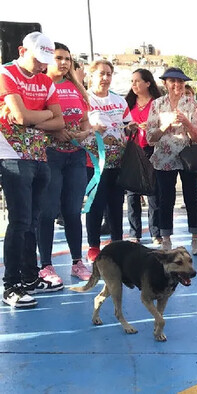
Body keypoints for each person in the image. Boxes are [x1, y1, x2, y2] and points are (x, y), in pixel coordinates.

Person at [1, 32, 66, 307]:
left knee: (34, 221)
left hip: (39, 156)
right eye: (39, 60)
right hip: (12, 156)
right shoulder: (6, 73)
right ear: (22, 51)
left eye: (45, 61)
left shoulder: (44, 81)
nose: (42, 66)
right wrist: (44, 116)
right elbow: (19, 116)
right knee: (19, 221)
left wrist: (32, 120)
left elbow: (59, 122)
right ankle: (11, 285)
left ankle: (29, 277)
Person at [36, 42, 92, 284]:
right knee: (47, 211)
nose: (64, 62)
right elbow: (31, 121)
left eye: (67, 58)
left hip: (76, 155)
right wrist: (55, 132)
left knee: (72, 211)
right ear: (47, 59)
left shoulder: (75, 87)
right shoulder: (39, 86)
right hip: (50, 155)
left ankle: (77, 262)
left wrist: (83, 134)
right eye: (58, 57)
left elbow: (85, 122)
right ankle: (46, 265)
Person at [84, 60, 138, 263]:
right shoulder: (85, 99)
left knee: (116, 204)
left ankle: (116, 244)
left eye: (109, 74)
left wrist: (130, 127)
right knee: (96, 204)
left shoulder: (119, 100)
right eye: (101, 74)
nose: (105, 78)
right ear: (91, 76)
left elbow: (126, 125)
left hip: (118, 160)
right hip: (95, 162)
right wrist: (93, 130)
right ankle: (93, 247)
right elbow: (80, 127)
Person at [146, 67, 197, 254]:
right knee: (165, 199)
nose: (177, 85)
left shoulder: (192, 103)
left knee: (192, 197)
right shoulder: (156, 104)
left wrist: (186, 122)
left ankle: (196, 238)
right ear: (165, 83)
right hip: (164, 158)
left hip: (188, 158)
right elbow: (150, 137)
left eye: (180, 81)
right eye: (173, 81)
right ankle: (166, 239)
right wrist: (165, 125)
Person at [124, 69, 162, 245]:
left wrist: (152, 128)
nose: (134, 85)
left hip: (151, 150)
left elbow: (164, 125)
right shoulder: (127, 103)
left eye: (137, 81)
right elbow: (119, 126)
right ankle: (134, 233)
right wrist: (128, 127)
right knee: (132, 193)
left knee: (153, 193)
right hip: (132, 150)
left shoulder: (157, 103)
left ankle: (156, 232)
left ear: (148, 83)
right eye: (132, 81)